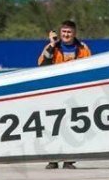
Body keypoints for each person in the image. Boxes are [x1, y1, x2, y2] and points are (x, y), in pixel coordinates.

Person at [38, 19, 92, 169]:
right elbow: (42, 65)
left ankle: (69, 160)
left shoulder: (83, 49)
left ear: (74, 33)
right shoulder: (52, 48)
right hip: (54, 93)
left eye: (69, 32)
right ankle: (53, 159)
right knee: (53, 127)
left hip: (74, 94)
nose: (66, 35)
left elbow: (89, 67)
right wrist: (52, 45)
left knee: (73, 126)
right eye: (64, 32)